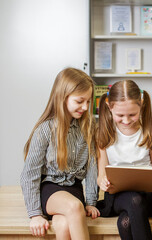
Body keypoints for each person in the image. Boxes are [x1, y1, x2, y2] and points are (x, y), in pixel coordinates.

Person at [20, 67, 99, 239]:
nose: (85, 107)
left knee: (63, 226)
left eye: (88, 101)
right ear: (63, 97)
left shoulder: (89, 129)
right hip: (50, 189)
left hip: (75, 190)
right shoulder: (45, 130)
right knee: (75, 207)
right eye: (80, 101)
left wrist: (91, 202)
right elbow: (29, 174)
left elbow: (93, 168)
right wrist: (35, 215)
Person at [96, 80, 152, 240]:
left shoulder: (151, 131)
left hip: (147, 196)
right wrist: (103, 182)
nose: (126, 120)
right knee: (134, 201)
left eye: (132, 115)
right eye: (120, 115)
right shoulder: (104, 133)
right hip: (117, 196)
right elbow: (101, 174)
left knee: (126, 221)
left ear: (141, 105)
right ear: (110, 107)